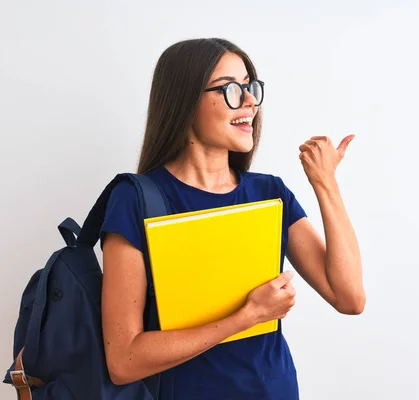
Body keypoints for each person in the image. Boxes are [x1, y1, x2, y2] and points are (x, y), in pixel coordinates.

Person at [99, 38, 365, 400]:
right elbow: (124, 360)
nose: (250, 101)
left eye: (250, 87)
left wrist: (325, 184)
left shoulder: (269, 193)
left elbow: (350, 298)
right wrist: (246, 317)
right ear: (186, 100)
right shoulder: (135, 199)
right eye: (231, 90)